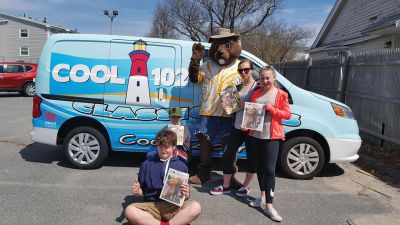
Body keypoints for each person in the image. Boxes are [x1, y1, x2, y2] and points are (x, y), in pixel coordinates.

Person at [188, 28, 243, 185]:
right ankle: (203, 174)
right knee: (205, 143)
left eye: (226, 45)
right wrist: (195, 60)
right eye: (216, 46)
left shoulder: (241, 67)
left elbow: (249, 87)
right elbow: (194, 78)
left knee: (229, 146)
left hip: (230, 114)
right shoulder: (207, 66)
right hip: (208, 112)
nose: (220, 50)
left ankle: (230, 176)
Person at [244, 66, 291, 222]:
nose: (264, 81)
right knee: (259, 169)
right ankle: (262, 197)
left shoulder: (280, 94)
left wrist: (273, 110)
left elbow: (287, 114)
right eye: (262, 78)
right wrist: (247, 124)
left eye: (267, 78)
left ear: (274, 78)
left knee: (270, 170)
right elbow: (252, 113)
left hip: (272, 136)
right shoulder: (256, 93)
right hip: (255, 136)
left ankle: (269, 207)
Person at [125, 130, 201, 225]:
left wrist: (186, 194)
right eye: (160, 146)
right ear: (156, 146)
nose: (163, 150)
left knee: (195, 207)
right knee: (130, 211)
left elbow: (185, 197)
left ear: (173, 147)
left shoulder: (181, 166)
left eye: (167, 147)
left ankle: (163, 223)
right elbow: (143, 192)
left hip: (174, 206)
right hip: (152, 206)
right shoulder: (146, 165)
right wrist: (137, 191)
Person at [210, 59, 258, 196]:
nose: (243, 72)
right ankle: (226, 186)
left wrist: (245, 106)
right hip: (237, 126)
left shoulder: (258, 87)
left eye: (246, 69)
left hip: (251, 128)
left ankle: (246, 186)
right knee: (227, 154)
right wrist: (227, 108)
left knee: (252, 158)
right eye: (240, 70)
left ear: (252, 70)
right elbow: (233, 109)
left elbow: (262, 107)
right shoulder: (236, 87)